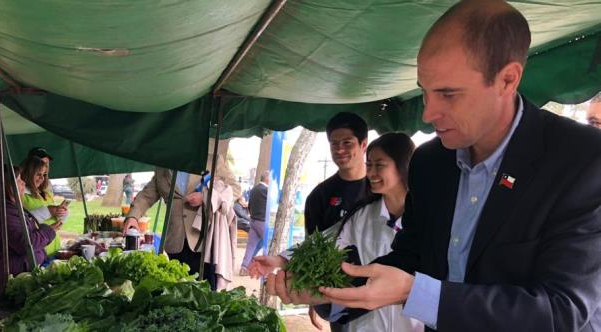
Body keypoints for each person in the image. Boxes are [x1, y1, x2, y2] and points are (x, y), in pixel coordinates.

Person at [316, 1, 601, 331]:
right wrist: (326, 285)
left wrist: (417, 294)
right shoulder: (430, 162)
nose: (427, 113)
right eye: (425, 92)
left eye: (448, 94)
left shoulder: (582, 159)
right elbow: (410, 257)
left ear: (507, 79)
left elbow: (561, 312)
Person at [250, 134, 421, 331]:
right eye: (369, 165)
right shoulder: (362, 215)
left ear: (404, 165)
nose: (371, 172)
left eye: (379, 165)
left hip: (413, 322)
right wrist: (280, 260)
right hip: (367, 323)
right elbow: (323, 243)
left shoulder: (430, 217)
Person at [251, 112, 371, 330]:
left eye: (347, 143)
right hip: (334, 295)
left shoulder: (378, 189)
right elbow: (311, 250)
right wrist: (313, 301)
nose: (340, 150)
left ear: (363, 144)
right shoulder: (320, 196)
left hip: (377, 291)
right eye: (334, 144)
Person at [124, 139, 242, 289]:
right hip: (175, 243)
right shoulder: (162, 168)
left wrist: (205, 197)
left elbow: (235, 189)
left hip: (204, 241)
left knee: (206, 295)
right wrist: (133, 216)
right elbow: (147, 195)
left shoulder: (211, 160)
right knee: (178, 293)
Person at [0, 164, 59, 303]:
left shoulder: (6, 208)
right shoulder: (0, 213)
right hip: (7, 288)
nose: (23, 183)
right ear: (7, 186)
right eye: (19, 180)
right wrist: (48, 231)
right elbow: (25, 244)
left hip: (17, 281)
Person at [20, 156, 67, 257]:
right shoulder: (21, 195)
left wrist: (62, 213)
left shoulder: (45, 193)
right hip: (40, 253)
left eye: (44, 174)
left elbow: (56, 218)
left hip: (54, 248)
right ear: (28, 174)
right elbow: (25, 221)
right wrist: (49, 211)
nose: (42, 178)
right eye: (38, 174)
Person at [239, 171, 270, 276]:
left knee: (252, 245)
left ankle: (244, 267)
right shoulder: (267, 191)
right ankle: (266, 269)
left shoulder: (254, 189)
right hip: (262, 222)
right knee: (268, 244)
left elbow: (250, 205)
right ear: (267, 178)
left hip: (253, 221)